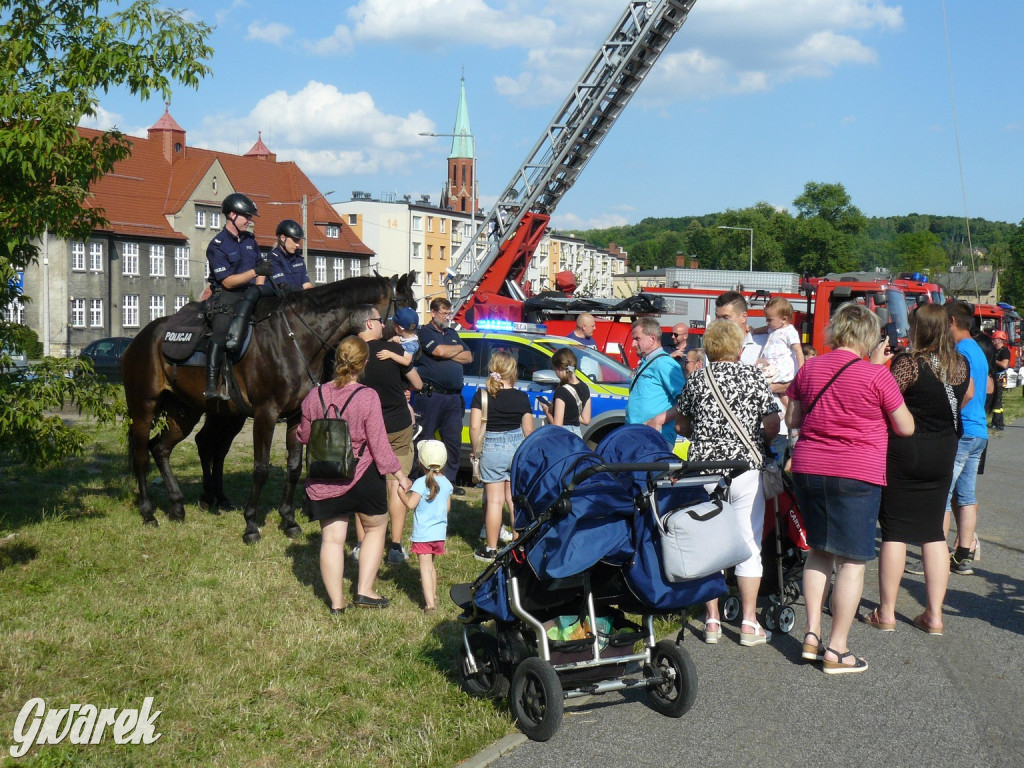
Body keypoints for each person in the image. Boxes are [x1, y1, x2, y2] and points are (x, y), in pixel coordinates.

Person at [786, 303, 914, 674]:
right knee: (852, 561)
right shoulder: (876, 376)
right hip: (856, 473)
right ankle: (837, 648)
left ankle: (811, 634)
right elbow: (905, 427)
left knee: (819, 552)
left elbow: (794, 418)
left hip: (810, 468)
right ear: (869, 336)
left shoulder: (810, 368)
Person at [865, 303, 971, 637]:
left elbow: (885, 398)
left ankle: (886, 612)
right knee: (932, 532)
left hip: (907, 449)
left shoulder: (909, 364)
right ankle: (935, 615)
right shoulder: (959, 363)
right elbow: (967, 394)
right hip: (944, 449)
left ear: (919, 329)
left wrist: (877, 366)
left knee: (895, 529)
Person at [676, 319, 780, 647]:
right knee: (748, 543)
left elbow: (680, 425)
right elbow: (772, 424)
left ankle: (711, 620)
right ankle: (749, 623)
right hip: (745, 469)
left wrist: (705, 437)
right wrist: (755, 439)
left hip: (705, 472)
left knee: (710, 545)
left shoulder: (697, 379)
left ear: (708, 348)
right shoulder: (751, 376)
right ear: (737, 348)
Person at [297, 336, 412, 613]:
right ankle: (365, 590)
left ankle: (337, 604)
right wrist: (399, 474)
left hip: (324, 477)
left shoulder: (315, 395)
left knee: (332, 539)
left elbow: (303, 435)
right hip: (361, 477)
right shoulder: (367, 396)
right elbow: (378, 443)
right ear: (364, 363)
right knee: (375, 527)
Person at [351, 304, 422, 566]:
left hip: (364, 427)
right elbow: (417, 383)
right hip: (396, 427)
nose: (384, 325)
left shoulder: (351, 353)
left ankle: (361, 544)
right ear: (369, 323)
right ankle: (395, 546)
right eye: (380, 320)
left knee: (363, 483)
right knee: (397, 483)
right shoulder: (391, 349)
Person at [204, 192, 274, 400]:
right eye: (247, 216)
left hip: (252, 293)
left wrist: (259, 289)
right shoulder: (216, 246)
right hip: (227, 296)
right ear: (232, 215)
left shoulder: (250, 240)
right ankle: (210, 384)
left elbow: (261, 270)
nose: (250, 221)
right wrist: (256, 273)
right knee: (221, 330)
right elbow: (227, 281)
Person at [470, 349, 534, 561]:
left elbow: (474, 427)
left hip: (492, 448)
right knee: (513, 500)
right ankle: (517, 545)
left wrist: (475, 450)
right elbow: (528, 432)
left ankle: (490, 548)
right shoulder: (522, 397)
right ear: (512, 371)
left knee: (495, 501)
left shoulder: (482, 395)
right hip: (516, 448)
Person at [716, 291, 789, 465]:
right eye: (718, 318)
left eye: (726, 317)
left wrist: (755, 388)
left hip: (769, 430)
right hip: (728, 430)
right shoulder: (714, 348)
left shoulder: (766, 343)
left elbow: (792, 382)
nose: (720, 323)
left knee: (770, 487)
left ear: (744, 317)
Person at [945, 301, 990, 576]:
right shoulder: (977, 349)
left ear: (951, 321)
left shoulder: (960, 350)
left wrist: (947, 412)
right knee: (966, 496)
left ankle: (934, 554)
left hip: (963, 430)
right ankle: (963, 556)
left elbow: (968, 391)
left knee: (943, 495)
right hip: (980, 432)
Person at [415, 297, 473, 494]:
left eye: (449, 313)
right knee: (425, 438)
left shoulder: (452, 333)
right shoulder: (424, 332)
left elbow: (469, 356)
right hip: (432, 396)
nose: (447, 317)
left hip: (453, 398)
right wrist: (456, 350)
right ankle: (422, 480)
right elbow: (438, 351)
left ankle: (449, 481)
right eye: (444, 313)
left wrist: (451, 351)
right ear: (433, 313)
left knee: (453, 441)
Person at [395, 440, 453, 613]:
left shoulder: (421, 482)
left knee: (425, 568)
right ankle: (433, 595)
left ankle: (430, 604)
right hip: (439, 534)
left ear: (420, 461)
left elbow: (411, 505)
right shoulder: (447, 483)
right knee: (431, 566)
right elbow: (447, 508)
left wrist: (401, 493)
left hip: (423, 534)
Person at [626, 317, 685, 447]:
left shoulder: (665, 363)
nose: (633, 344)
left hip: (656, 439)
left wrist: (659, 420)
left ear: (652, 339)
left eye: (637, 339)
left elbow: (686, 401)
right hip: (638, 437)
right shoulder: (646, 362)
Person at [756, 296, 805, 410]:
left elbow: (798, 350)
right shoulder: (773, 329)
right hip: (772, 367)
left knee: (780, 391)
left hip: (783, 367)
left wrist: (802, 369)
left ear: (784, 319)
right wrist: (753, 331)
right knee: (778, 392)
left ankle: (790, 412)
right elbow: (763, 329)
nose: (767, 322)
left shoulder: (789, 331)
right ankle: (784, 410)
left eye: (770, 320)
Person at [538, 347, 591, 436]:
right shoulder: (585, 387)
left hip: (564, 437)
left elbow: (557, 427)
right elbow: (586, 420)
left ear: (559, 368)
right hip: (577, 437)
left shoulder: (561, 391)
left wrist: (547, 411)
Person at [266, 219, 314, 292]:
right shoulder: (273, 257)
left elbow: (307, 284)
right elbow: (283, 287)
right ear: (283, 238)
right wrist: (302, 292)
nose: (297, 245)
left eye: (298, 241)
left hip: (297, 299)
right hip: (280, 300)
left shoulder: (298, 259)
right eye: (294, 240)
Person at [990, 330, 1010, 430]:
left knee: (996, 401)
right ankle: (1000, 422)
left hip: (1000, 378)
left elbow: (1004, 364)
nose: (993, 341)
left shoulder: (1005, 351)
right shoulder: (994, 350)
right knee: (998, 401)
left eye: (994, 339)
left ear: (1000, 340)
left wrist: (993, 360)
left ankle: (996, 423)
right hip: (994, 377)